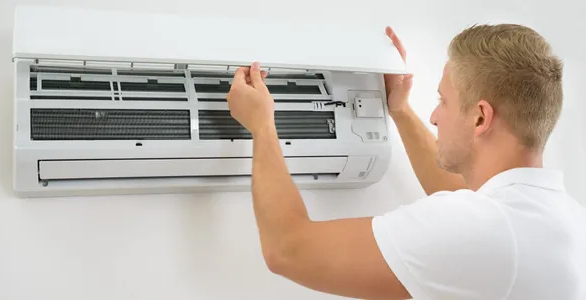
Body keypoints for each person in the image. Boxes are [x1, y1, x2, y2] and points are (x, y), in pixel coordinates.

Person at [225, 24, 586, 300]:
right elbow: (465, 195)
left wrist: (262, 125)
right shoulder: (565, 219)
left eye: (443, 101)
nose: (433, 116)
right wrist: (399, 109)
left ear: (480, 118)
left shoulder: (481, 228)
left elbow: (288, 250)